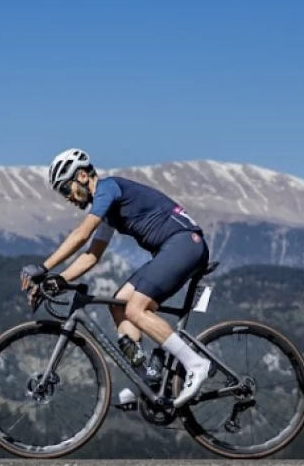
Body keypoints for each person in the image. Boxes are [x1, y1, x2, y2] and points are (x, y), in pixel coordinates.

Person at [21, 148, 214, 407]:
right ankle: (148, 379)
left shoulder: (108, 189)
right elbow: (91, 256)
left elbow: (81, 234)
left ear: (81, 176)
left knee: (136, 309)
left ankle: (196, 364)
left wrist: (43, 268)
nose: (67, 198)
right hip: (172, 249)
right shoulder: (110, 209)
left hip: (184, 243)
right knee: (119, 304)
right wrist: (60, 279)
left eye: (66, 190)